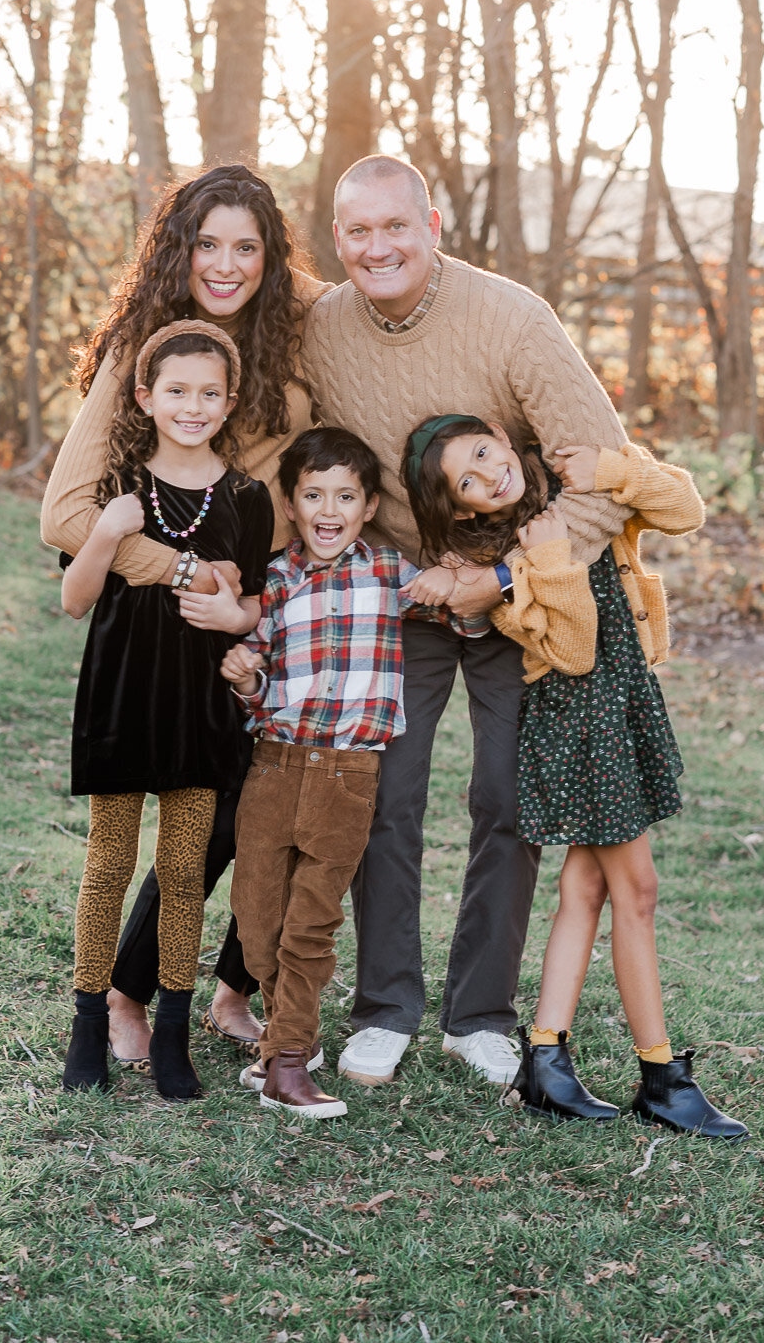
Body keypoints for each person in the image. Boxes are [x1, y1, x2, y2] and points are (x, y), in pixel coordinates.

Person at [300, 154, 634, 1087]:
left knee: (506, 798)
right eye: (358, 232)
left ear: (433, 224)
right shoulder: (322, 330)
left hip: (517, 599)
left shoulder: (511, 316)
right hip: (402, 596)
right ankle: (385, 1007)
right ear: (339, 241)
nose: (378, 247)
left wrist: (504, 576)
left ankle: (480, 1014)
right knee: (384, 797)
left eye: (394, 226)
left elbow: (604, 469)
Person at [41, 165, 330, 1065]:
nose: (227, 263)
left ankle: (231, 988)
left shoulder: (293, 328)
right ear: (179, 247)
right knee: (197, 804)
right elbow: (65, 517)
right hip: (176, 624)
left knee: (281, 796)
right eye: (208, 243)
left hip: (276, 597)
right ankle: (127, 995)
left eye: (248, 245)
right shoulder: (148, 345)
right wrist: (190, 576)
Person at [403, 413, 747, 1137]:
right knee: (638, 892)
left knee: (587, 890)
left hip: (624, 701)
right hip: (577, 722)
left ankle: (545, 1060)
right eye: (470, 480)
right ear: (465, 509)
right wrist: (548, 563)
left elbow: (685, 508)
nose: (492, 473)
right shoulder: (498, 567)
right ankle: (660, 1076)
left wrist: (613, 470)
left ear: (503, 435)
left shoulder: (576, 490)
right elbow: (575, 649)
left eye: (486, 452)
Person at [220, 428, 487, 1118]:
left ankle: (285, 1060)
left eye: (345, 495)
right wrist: (245, 679)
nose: (328, 508)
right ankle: (288, 1038)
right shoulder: (275, 580)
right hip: (274, 769)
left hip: (348, 776)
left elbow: (470, 624)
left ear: (369, 506)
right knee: (257, 919)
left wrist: (457, 581)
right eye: (313, 494)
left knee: (311, 922)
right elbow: (254, 663)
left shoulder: (391, 573)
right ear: (290, 503)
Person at [60, 321, 273, 1100]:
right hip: (120, 701)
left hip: (199, 712)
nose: (193, 405)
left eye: (209, 393)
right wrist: (108, 534)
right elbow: (73, 600)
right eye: (176, 390)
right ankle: (87, 1025)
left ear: (229, 401)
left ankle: (175, 1030)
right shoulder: (116, 486)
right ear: (146, 396)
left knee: (184, 871)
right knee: (109, 863)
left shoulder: (247, 499)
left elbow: (252, 604)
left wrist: (236, 614)